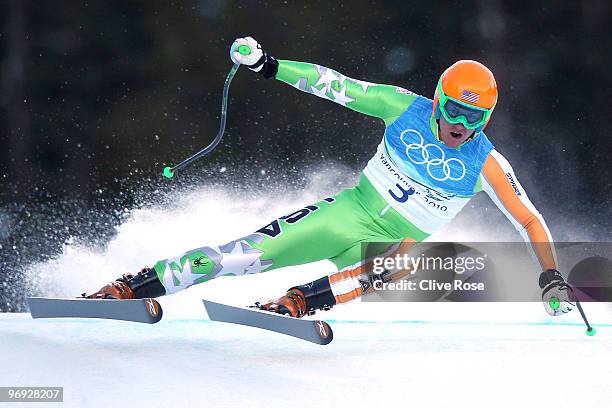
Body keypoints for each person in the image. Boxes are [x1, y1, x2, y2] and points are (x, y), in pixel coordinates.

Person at [84, 36, 574, 318]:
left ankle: (296, 303)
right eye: (453, 113)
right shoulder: (403, 107)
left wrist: (551, 278)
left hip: (394, 243)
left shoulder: (488, 163)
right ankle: (135, 287)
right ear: (439, 98)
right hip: (347, 214)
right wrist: (267, 65)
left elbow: (530, 221)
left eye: (474, 121)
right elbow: (333, 85)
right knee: (244, 254)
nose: (459, 128)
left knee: (399, 264)